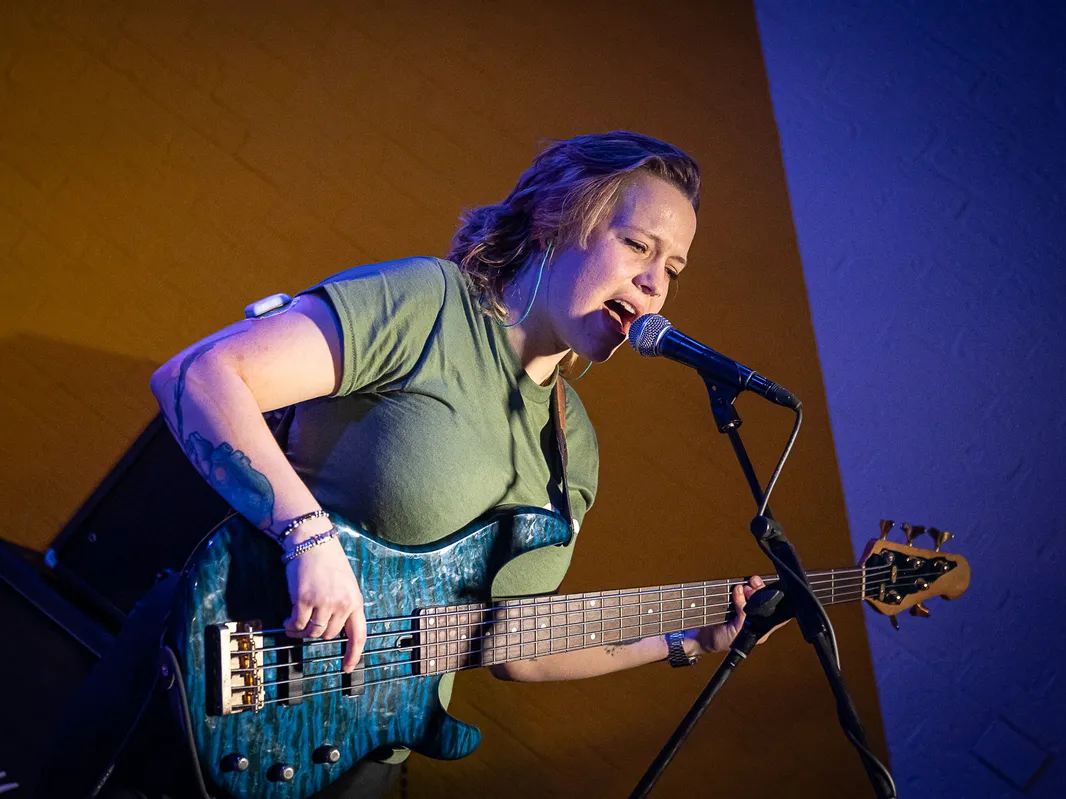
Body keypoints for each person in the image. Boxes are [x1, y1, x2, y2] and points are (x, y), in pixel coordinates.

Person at [149, 131, 771, 796]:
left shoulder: (574, 447)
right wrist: (309, 535)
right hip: (217, 683)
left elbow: (512, 645)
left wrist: (691, 638)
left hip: (359, 760)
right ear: (555, 220)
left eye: (673, 269)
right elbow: (198, 375)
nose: (654, 284)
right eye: (639, 246)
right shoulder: (430, 304)